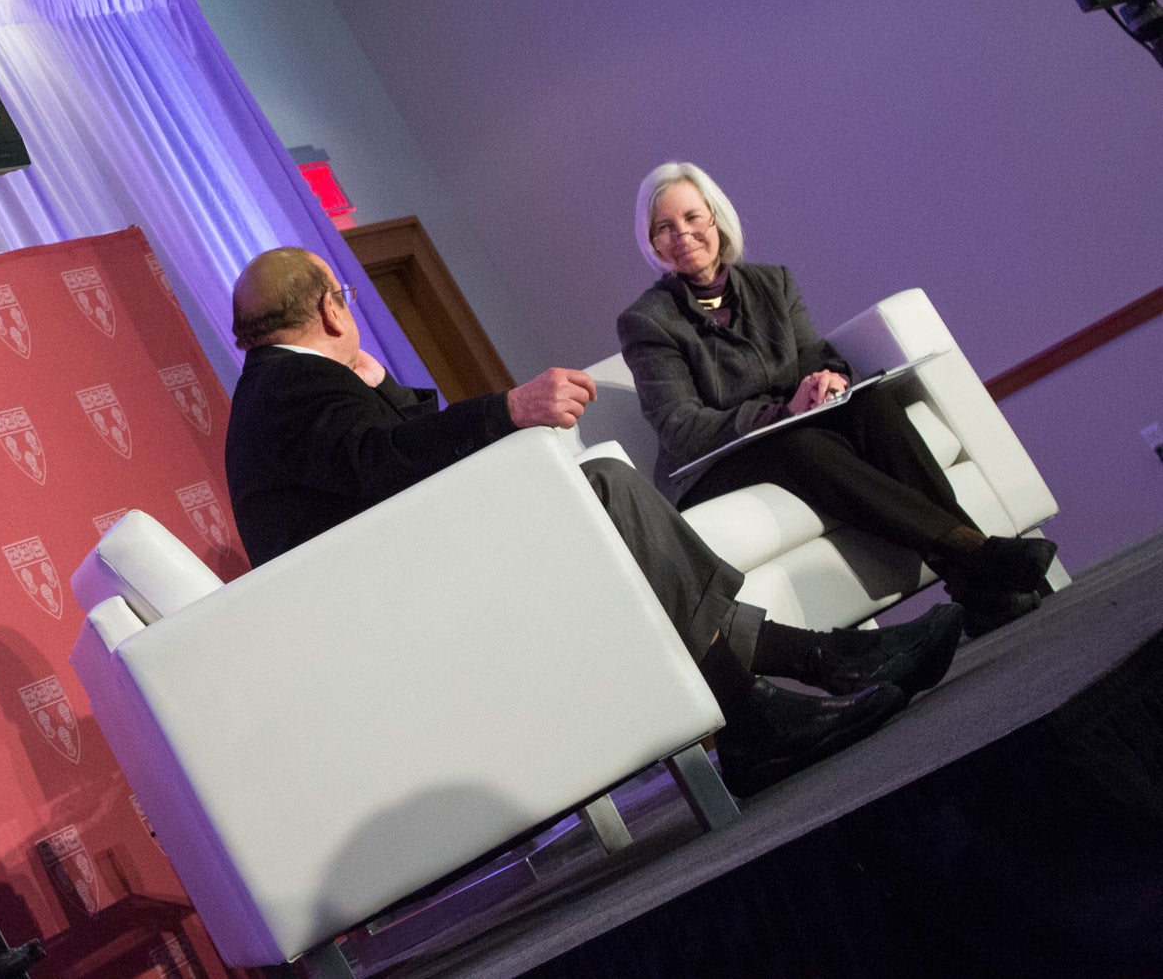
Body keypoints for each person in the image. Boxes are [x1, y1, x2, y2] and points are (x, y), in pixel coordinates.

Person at [224, 247, 967, 795]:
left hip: (409, 580)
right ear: (330, 307)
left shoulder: (286, 386)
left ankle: (802, 683)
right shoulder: (292, 390)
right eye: (345, 297)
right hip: (404, 611)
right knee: (606, 488)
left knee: (600, 491)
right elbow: (382, 461)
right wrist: (509, 409)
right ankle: (788, 693)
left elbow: (382, 454)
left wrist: (381, 380)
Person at [619, 162, 1057, 633]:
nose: (682, 234)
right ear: (652, 243)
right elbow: (681, 428)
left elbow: (815, 355)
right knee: (800, 445)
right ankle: (980, 555)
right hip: (717, 463)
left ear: (715, 218)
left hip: (792, 428)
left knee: (871, 405)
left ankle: (978, 585)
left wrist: (829, 380)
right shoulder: (648, 321)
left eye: (691, 218)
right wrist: (779, 412)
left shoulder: (773, 282)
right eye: (663, 228)